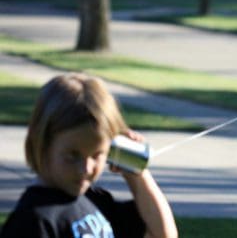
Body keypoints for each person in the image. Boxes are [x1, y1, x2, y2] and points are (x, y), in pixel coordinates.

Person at [0, 73, 178, 238]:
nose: (85, 169)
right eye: (72, 155)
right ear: (42, 144)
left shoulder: (94, 201)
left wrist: (137, 173)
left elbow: (163, 235)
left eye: (97, 155)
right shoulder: (34, 220)